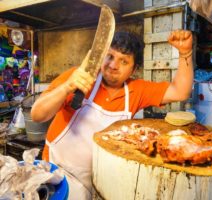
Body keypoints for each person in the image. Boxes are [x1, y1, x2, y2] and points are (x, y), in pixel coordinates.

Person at [30, 30, 193, 199]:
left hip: (97, 180)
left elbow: (180, 92)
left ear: (133, 69)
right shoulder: (80, 77)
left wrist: (185, 53)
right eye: (110, 56)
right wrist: (67, 87)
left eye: (124, 61)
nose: (113, 65)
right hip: (56, 174)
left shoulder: (136, 90)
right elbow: (37, 115)